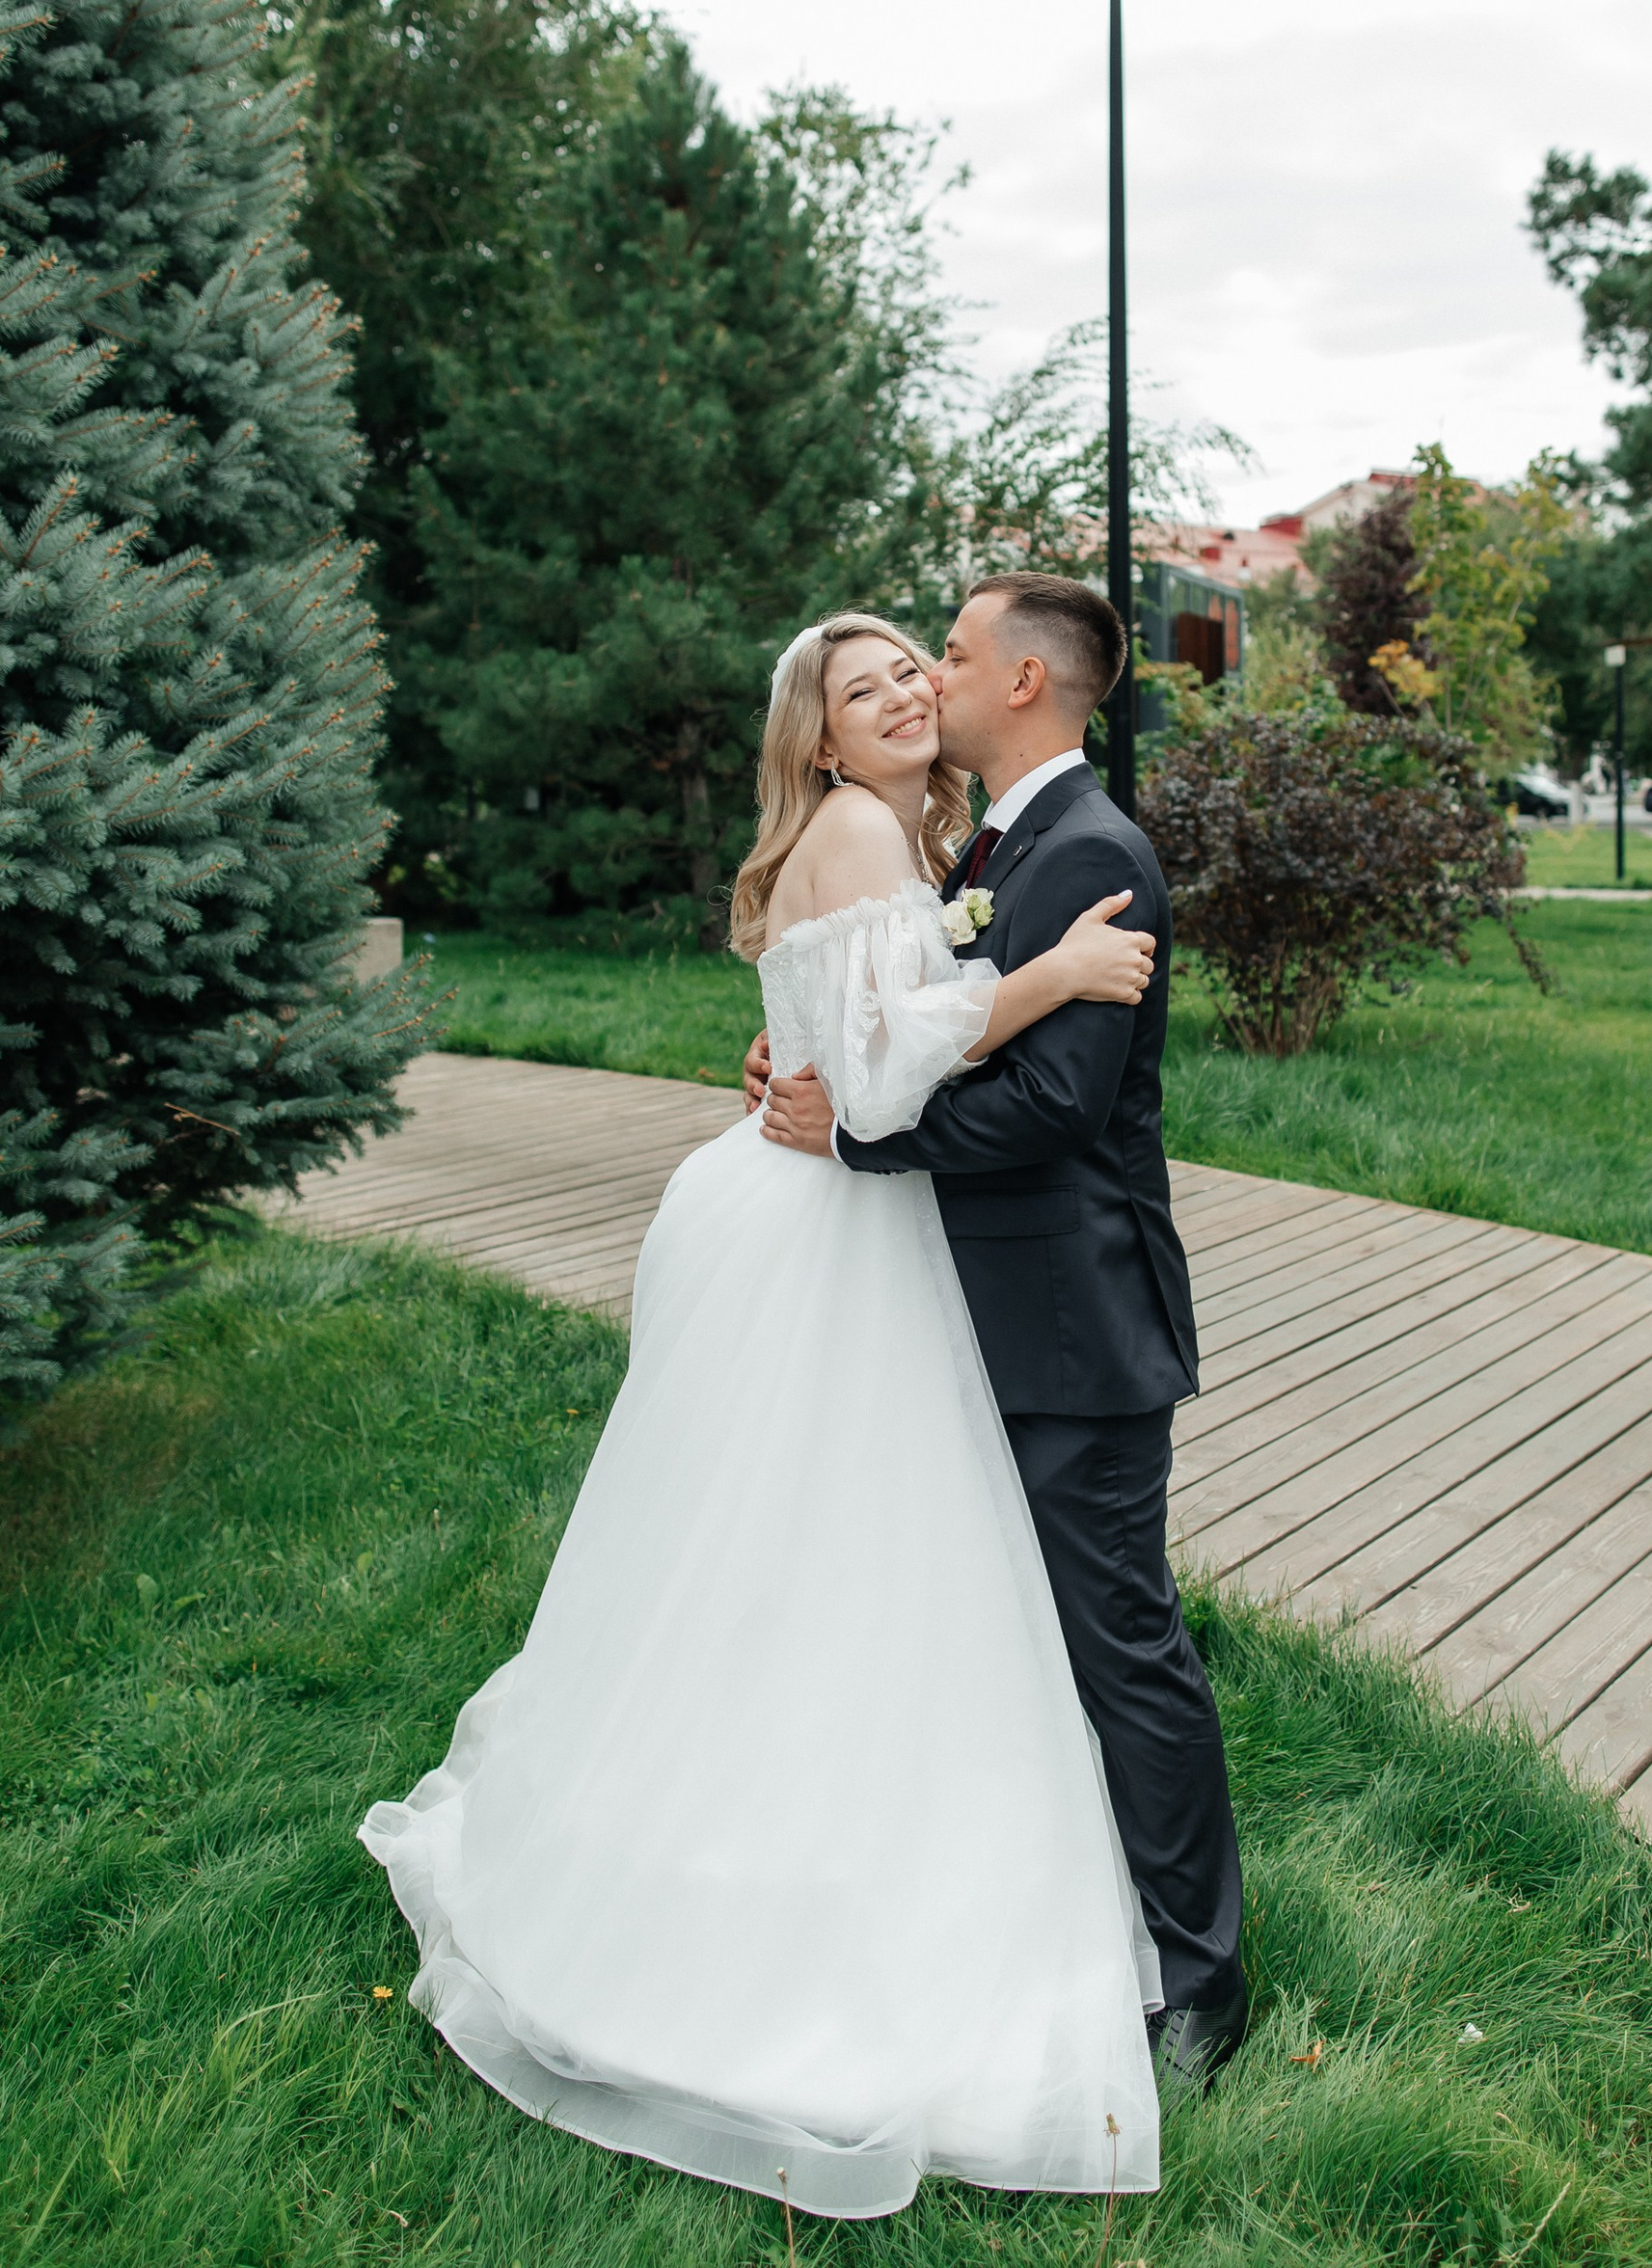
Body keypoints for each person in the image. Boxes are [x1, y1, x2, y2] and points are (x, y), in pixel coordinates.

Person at [360, 609, 1172, 2221]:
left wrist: (825, 1035)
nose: (908, 690)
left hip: (828, 1214)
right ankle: (778, 1895)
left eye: (917, 666)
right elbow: (878, 1078)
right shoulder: (869, 826)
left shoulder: (926, 837)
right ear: (821, 738)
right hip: (828, 1233)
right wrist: (1053, 976)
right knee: (819, 1549)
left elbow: (854, 1030)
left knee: (805, 1555)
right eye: (870, 685)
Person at [748, 572, 1246, 2083]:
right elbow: (917, 1012)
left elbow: (1052, 1107)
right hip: (979, 1313)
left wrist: (855, 1137)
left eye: (950, 655)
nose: (931, 678)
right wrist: (812, 1053)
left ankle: (1203, 1982)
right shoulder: (984, 846)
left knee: (1122, 1646)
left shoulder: (1091, 850)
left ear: (1024, 681)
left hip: (1074, 1326)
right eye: (900, 671)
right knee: (999, 1635)